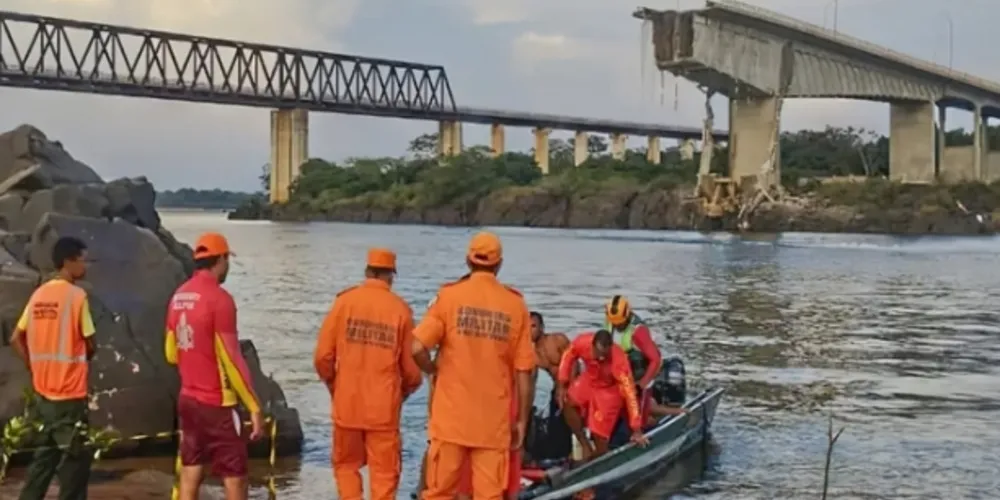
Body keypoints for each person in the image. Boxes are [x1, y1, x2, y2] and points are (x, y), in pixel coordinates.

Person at [411, 231, 536, 500]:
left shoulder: (448, 298)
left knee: (439, 493)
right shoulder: (515, 305)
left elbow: (416, 347)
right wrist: (522, 421)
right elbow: (524, 372)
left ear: (468, 261)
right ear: (499, 264)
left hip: (450, 420)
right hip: (493, 424)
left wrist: (432, 370)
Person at [313, 248, 423, 500]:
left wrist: (334, 384)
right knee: (384, 475)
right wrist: (402, 393)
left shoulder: (344, 303)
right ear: (391, 276)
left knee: (346, 467)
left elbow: (322, 358)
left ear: (367, 271)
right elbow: (412, 371)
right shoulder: (401, 310)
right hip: (383, 410)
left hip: (347, 405)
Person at [164, 232, 264, 500]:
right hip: (217, 403)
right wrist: (254, 406)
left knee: (191, 468)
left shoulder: (178, 296)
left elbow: (171, 353)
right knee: (235, 476)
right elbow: (232, 359)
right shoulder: (220, 299)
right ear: (220, 260)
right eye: (226, 260)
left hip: (188, 399)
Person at [11, 237, 96, 500]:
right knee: (75, 464)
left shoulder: (39, 295)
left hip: (43, 392)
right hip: (69, 394)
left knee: (44, 459)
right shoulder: (77, 297)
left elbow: (16, 338)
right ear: (68, 262)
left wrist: (34, 366)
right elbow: (90, 342)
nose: (86, 266)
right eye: (83, 260)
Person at [556, 330, 648, 460]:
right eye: (598, 354)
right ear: (592, 345)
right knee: (568, 401)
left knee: (599, 434)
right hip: (590, 379)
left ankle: (597, 458)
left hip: (609, 389)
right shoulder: (582, 342)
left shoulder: (619, 361)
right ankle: (584, 444)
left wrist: (636, 428)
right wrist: (562, 383)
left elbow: (630, 394)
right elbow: (568, 355)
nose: (601, 358)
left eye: (605, 355)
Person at [603, 295, 683, 423]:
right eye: (615, 324)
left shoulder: (638, 331)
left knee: (640, 417)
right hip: (622, 374)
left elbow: (655, 360)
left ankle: (663, 415)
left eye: (620, 324)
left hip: (641, 374)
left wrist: (641, 385)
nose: (617, 326)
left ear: (627, 316)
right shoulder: (610, 323)